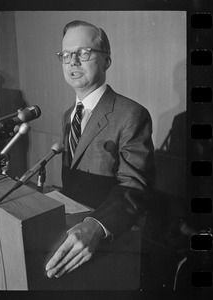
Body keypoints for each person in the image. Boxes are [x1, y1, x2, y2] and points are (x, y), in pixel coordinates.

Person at [45, 20, 155, 279]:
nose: (73, 62)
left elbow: (135, 188)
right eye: (66, 55)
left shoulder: (131, 114)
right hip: (69, 233)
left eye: (83, 53)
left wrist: (96, 225)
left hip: (110, 241)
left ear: (106, 61)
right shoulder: (68, 115)